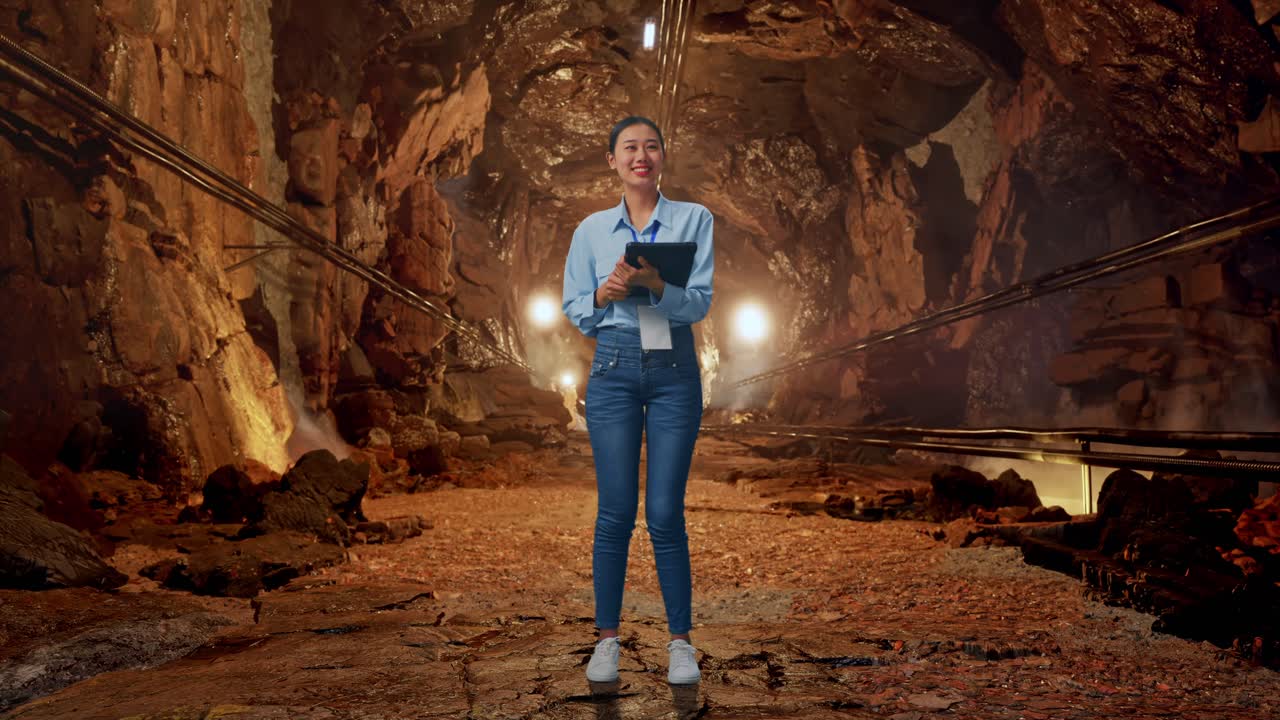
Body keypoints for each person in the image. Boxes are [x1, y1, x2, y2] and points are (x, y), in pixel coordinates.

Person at [561, 116, 714, 686]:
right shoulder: (591, 230)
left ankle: (681, 644)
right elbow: (575, 307)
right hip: (614, 367)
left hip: (674, 368)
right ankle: (607, 641)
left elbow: (698, 303)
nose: (640, 155)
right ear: (613, 160)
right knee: (615, 511)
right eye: (629, 147)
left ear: (662, 157)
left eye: (650, 146)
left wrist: (656, 286)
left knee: (665, 512)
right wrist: (604, 293)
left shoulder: (695, 219)